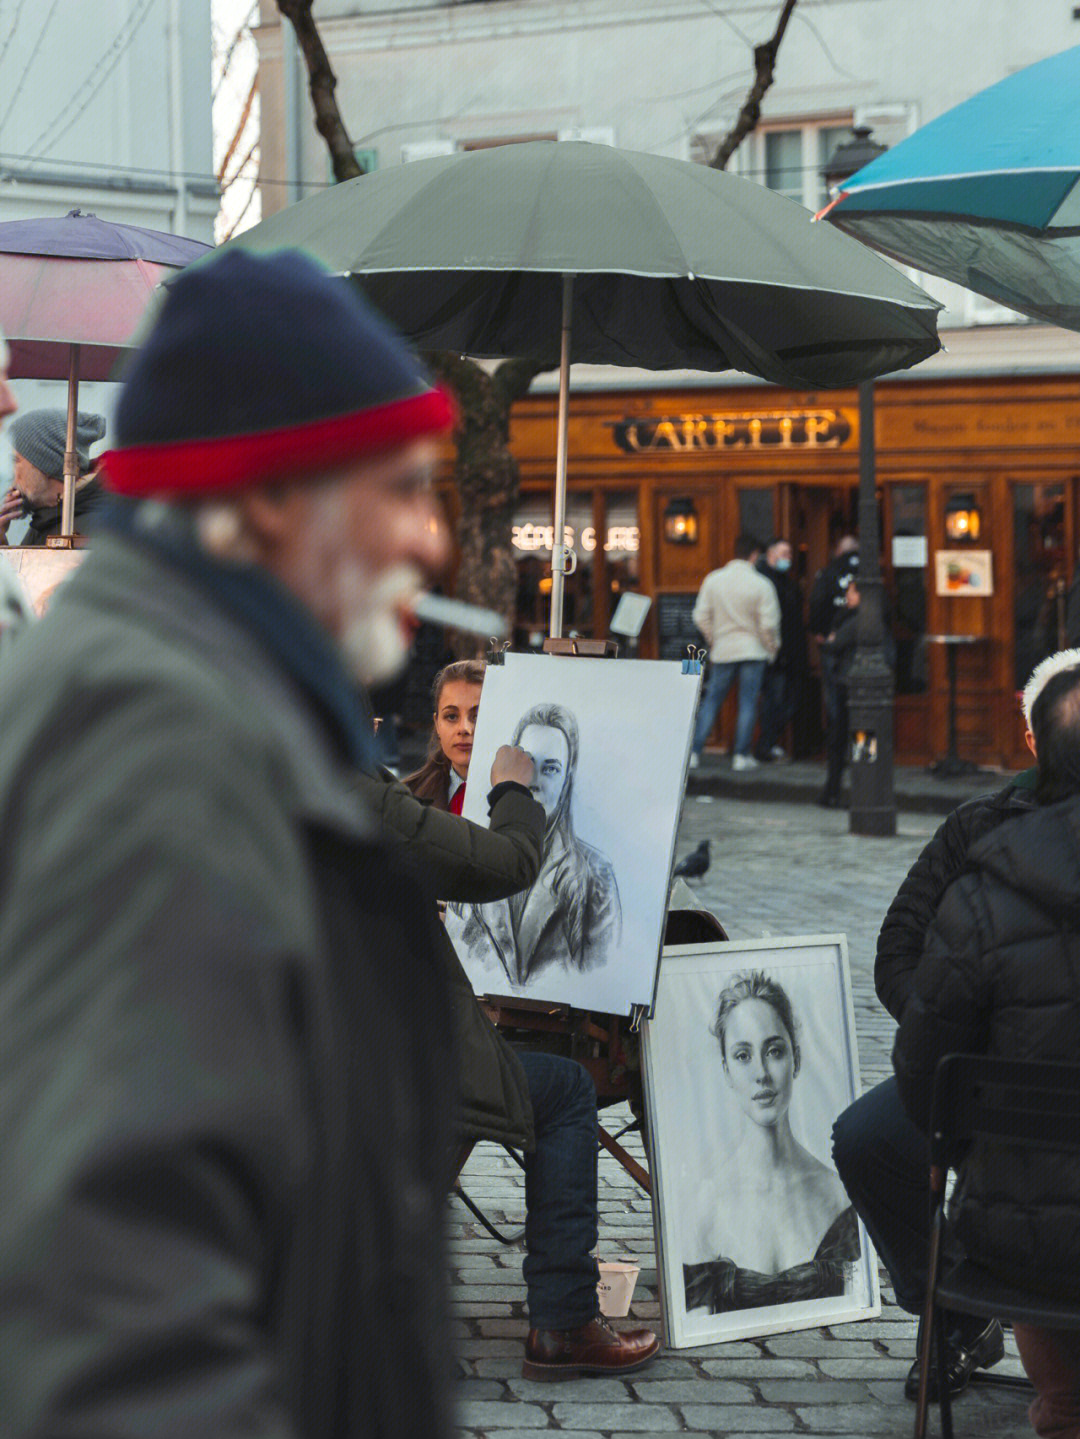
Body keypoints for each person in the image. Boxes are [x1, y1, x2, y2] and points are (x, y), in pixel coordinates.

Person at [0, 248, 466, 1437]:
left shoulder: (190, 700)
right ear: (267, 496)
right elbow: (117, 1304)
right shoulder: (163, 741)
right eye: (400, 488)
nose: (429, 542)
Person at [383, 666, 660, 1380]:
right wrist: (515, 791)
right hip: (394, 1053)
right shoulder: (375, 796)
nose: (464, 728)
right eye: (448, 714)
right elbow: (504, 860)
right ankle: (563, 1319)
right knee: (562, 1091)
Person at [830, 657, 1079, 1405]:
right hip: (987, 1086)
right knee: (869, 1138)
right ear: (1029, 739)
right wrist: (962, 1046)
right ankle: (955, 1311)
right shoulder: (979, 827)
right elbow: (899, 951)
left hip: (1012, 1106)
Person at [683, 970, 859, 1313]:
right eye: (743, 1056)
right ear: (726, 1072)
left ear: (797, 1058)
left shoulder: (837, 1195)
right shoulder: (706, 1205)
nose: (761, 1073)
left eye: (774, 1051)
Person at [455, 701, 622, 984]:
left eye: (551, 769)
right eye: (526, 763)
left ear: (567, 780)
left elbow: (604, 981)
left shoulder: (596, 876)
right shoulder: (473, 853)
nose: (533, 781)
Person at [690, 533, 780, 771]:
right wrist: (771, 648)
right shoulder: (761, 584)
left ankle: (694, 752)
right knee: (748, 703)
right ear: (754, 555)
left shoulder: (714, 580)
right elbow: (769, 625)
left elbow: (700, 616)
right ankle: (741, 755)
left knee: (712, 701)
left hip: (723, 649)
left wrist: (713, 637)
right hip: (753, 650)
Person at [0, 407, 107, 546]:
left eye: (16, 461)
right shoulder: (46, 519)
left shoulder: (93, 528)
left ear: (46, 463)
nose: (10, 472)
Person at [755, 536, 807, 763]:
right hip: (774, 652)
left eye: (790, 554)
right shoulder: (764, 581)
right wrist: (774, 648)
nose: (788, 558)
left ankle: (768, 743)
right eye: (784, 554)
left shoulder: (786, 581)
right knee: (774, 700)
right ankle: (764, 745)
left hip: (789, 651)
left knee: (786, 700)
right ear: (771, 554)